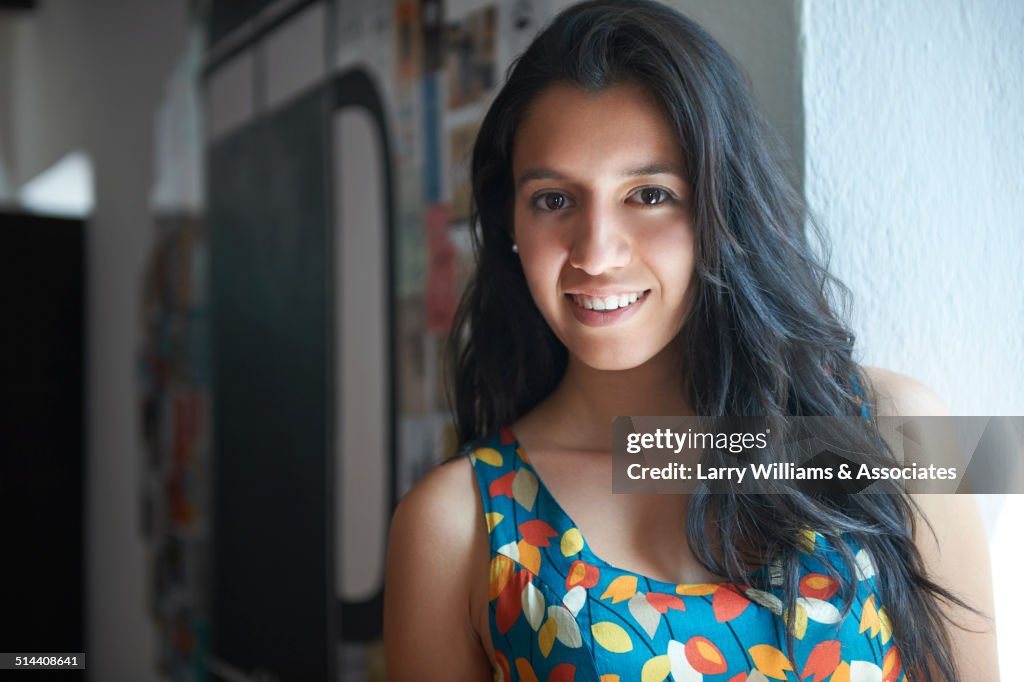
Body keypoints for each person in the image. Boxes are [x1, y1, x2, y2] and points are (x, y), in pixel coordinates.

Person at [383, 1, 998, 679]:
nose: (596, 252)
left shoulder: (901, 431)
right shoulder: (452, 522)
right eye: (554, 200)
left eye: (649, 195)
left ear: (719, 208)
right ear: (510, 225)